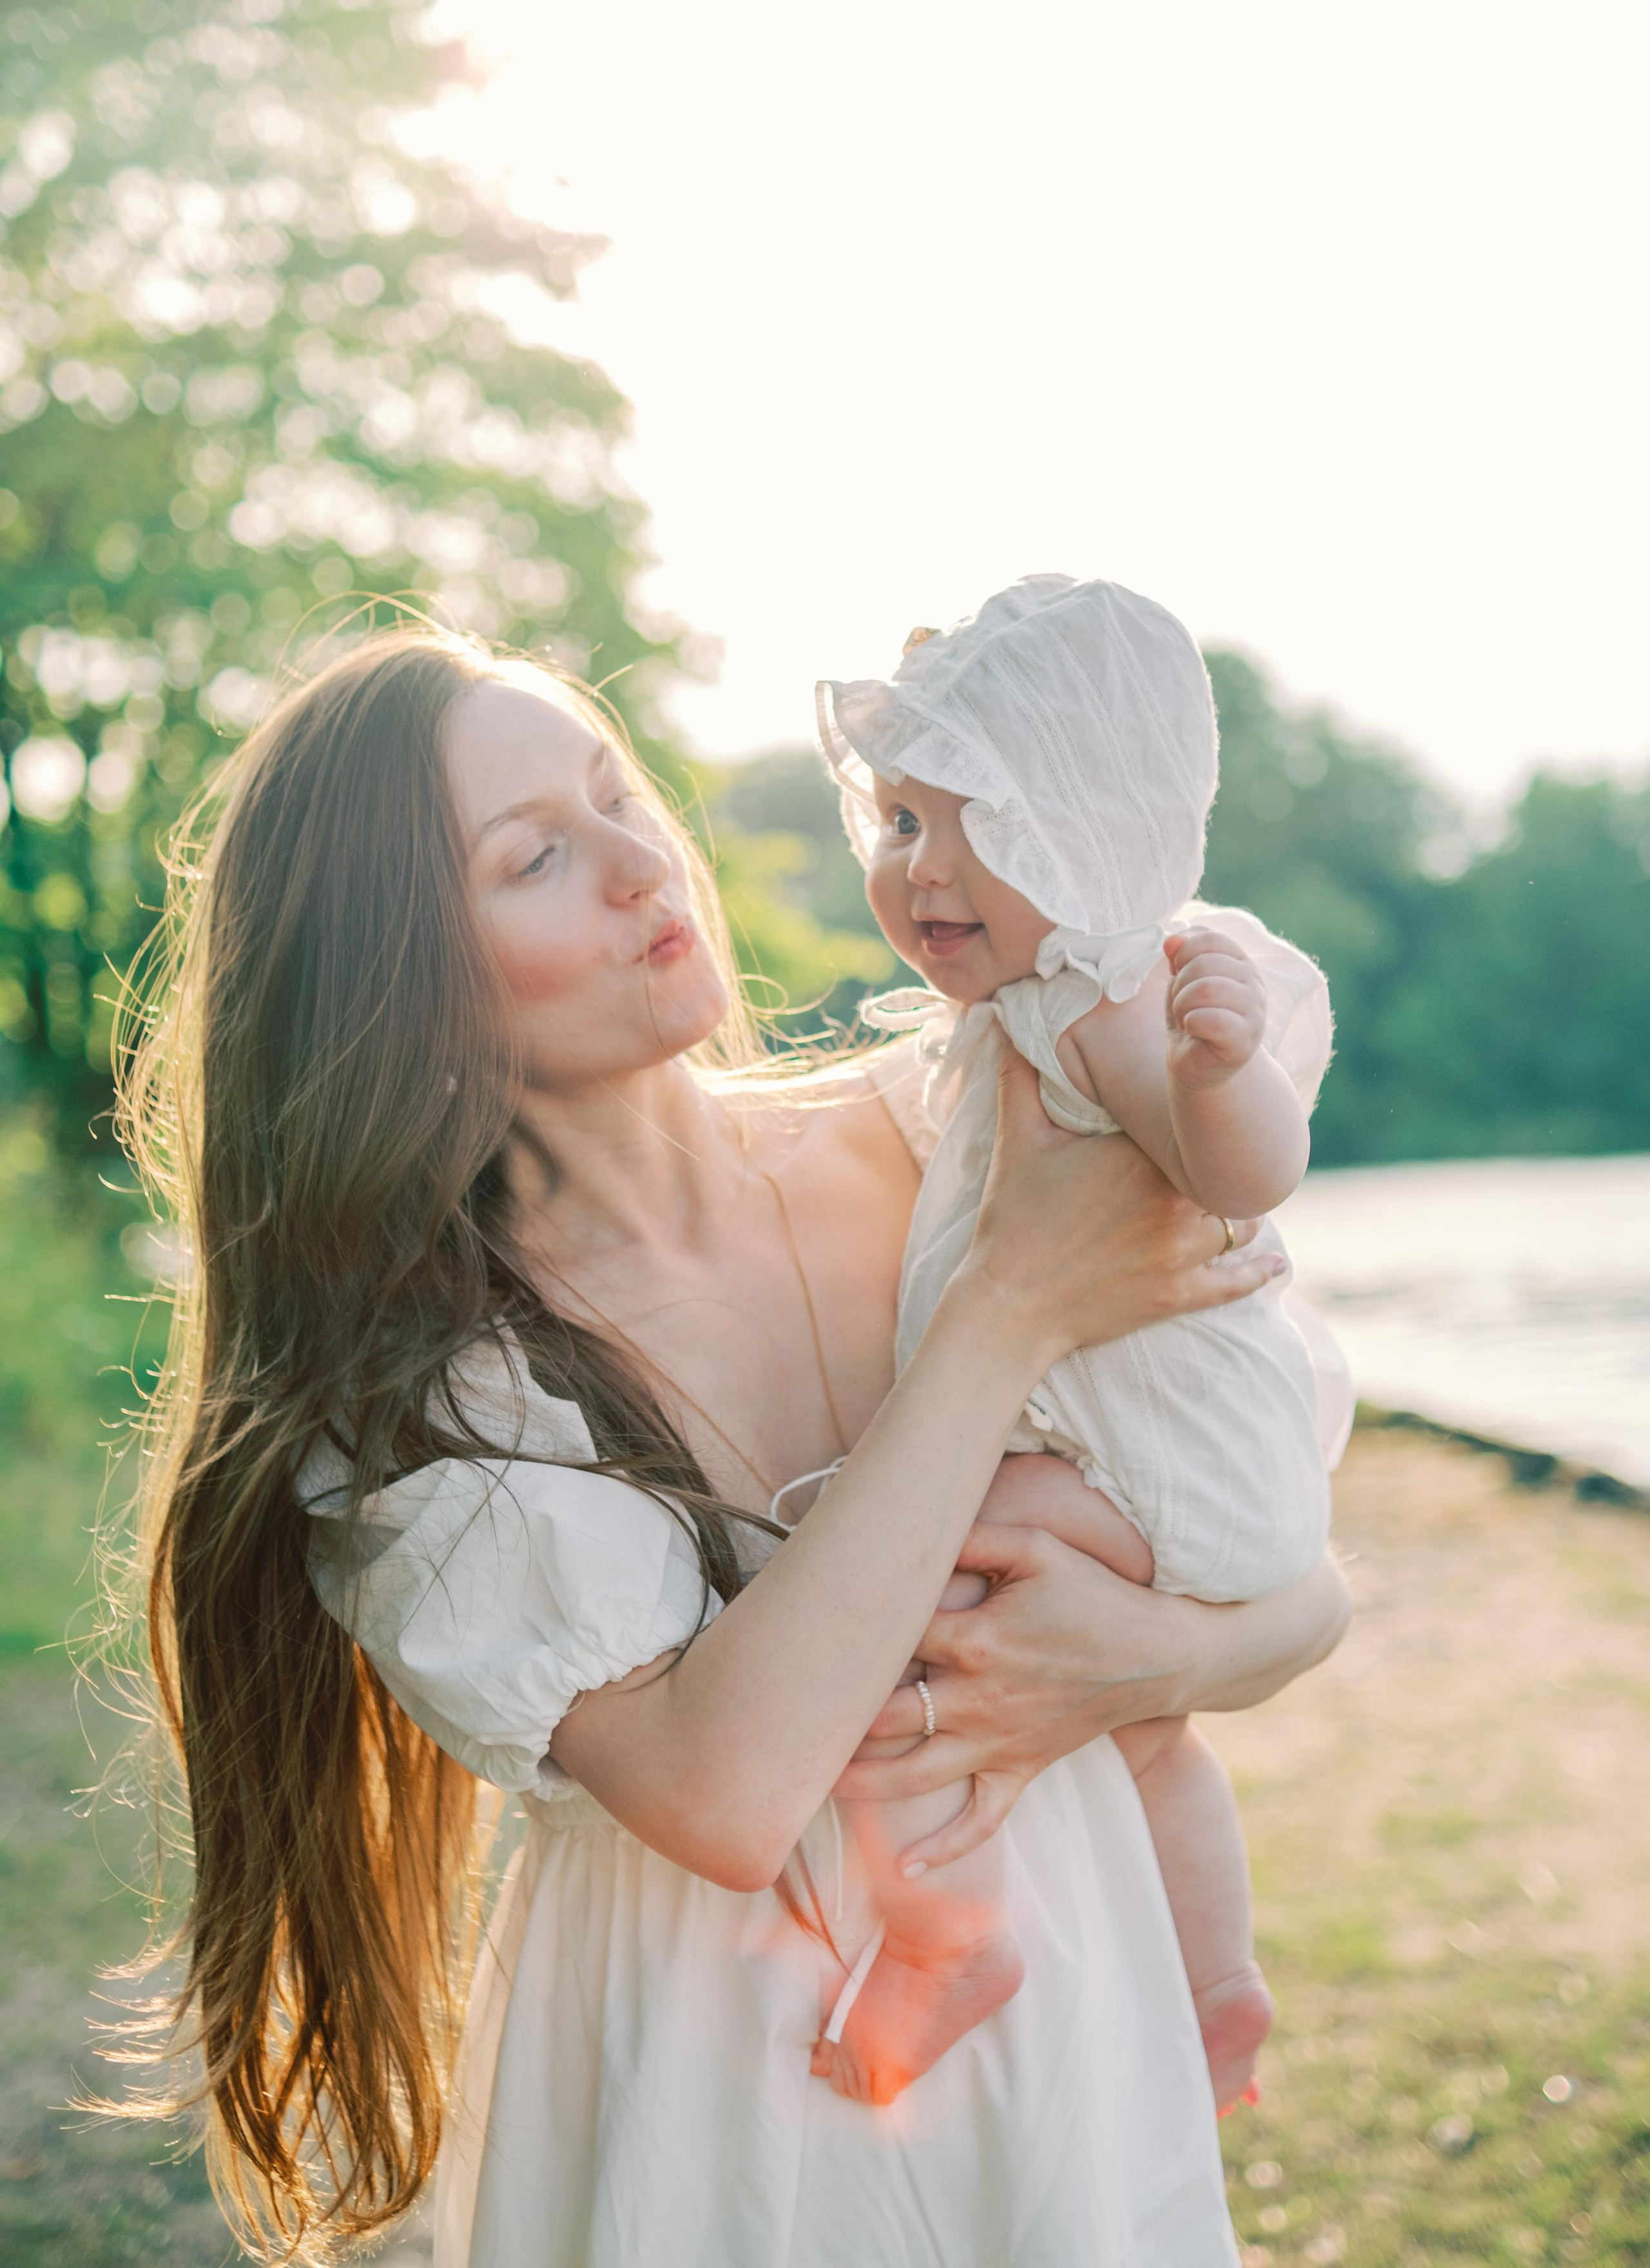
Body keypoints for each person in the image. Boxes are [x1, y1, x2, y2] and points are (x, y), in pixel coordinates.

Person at [115, 622, 1350, 2268]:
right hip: (708, 2088)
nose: (641, 863)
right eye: (540, 855)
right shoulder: (434, 1395)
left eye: (617, 794)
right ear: (401, 976)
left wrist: (1139, 1662)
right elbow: (721, 1788)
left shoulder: (965, 1126)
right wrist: (1001, 1316)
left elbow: (1269, 1543)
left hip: (1065, 1992)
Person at [810, 574, 1355, 2115]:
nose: (918, 869)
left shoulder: (1120, 998)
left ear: (1085, 824)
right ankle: (1216, 1984)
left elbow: (1241, 1174)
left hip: (1159, 1467)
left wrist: (1221, 1067)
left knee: (874, 1601)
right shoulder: (1028, 1007)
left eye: (968, 821)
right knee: (1150, 1740)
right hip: (1167, 1469)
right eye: (898, 822)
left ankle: (941, 1934)